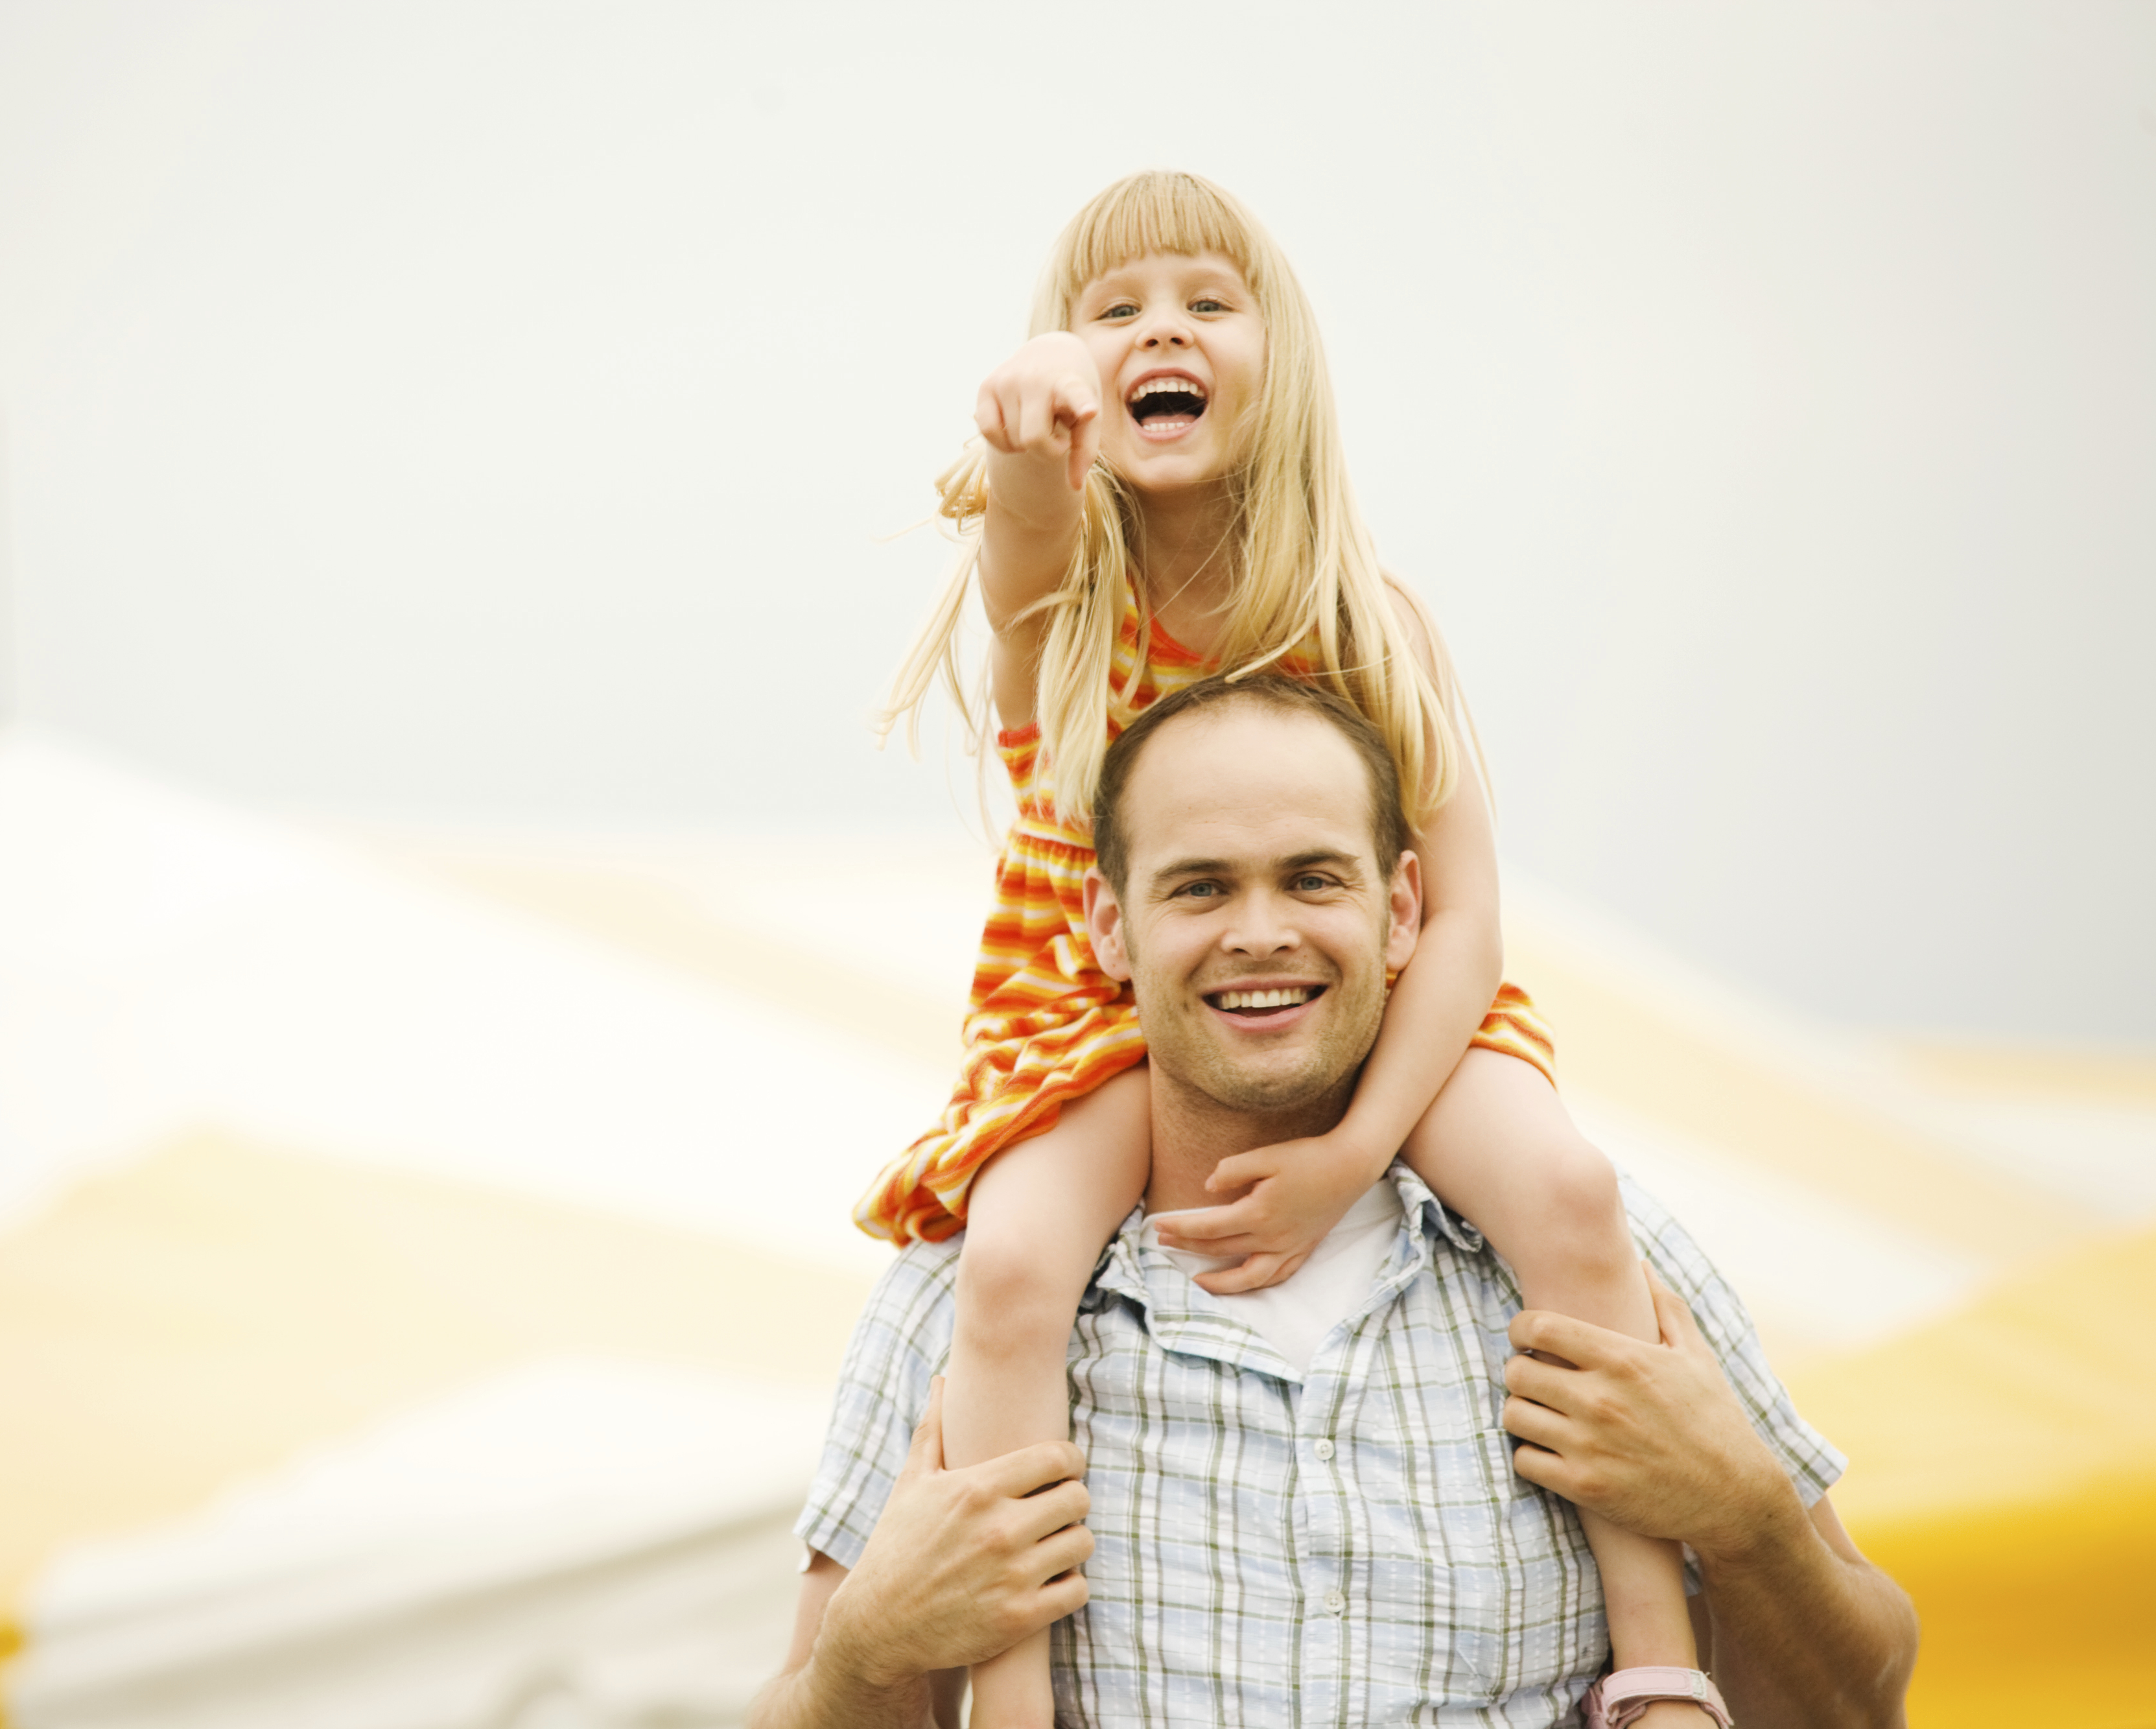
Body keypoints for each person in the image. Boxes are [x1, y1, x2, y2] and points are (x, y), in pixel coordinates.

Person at [856, 169, 1705, 1728]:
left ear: (1277, 356)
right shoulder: (1072, 601)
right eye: (1111, 312)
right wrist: (1017, 435)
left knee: (1573, 1192)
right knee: (1014, 1264)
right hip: (1097, 1009)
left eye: (1201, 302)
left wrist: (1357, 1146)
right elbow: (1025, 533)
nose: (1154, 331)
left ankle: (1656, 1668)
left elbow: (1459, 920)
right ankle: (1011, 1693)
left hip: (1379, 1004)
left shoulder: (1364, 614)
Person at [760, 676, 1917, 1726]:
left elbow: (1863, 1711)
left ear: (1404, 907)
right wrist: (866, 1656)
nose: (1260, 934)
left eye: (1312, 878)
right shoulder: (961, 1297)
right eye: (1200, 887)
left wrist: (1755, 1525)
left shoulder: (1599, 1251)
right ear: (1111, 926)